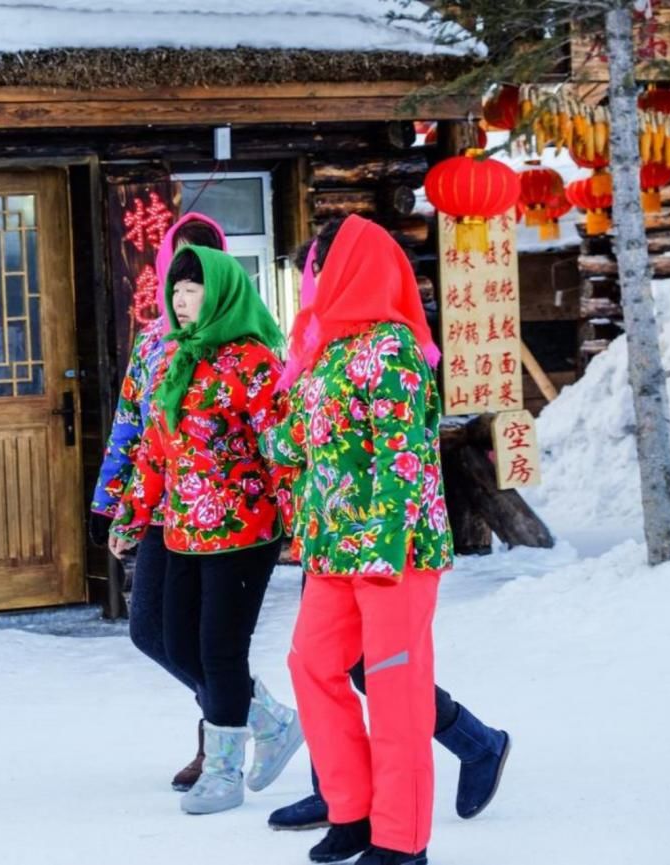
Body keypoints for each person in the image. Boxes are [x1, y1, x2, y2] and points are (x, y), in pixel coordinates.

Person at [267, 229, 512, 846]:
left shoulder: (392, 348)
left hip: (391, 552)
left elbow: (404, 458)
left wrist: (381, 549)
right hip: (331, 548)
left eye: (317, 271)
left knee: (395, 689)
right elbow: (297, 441)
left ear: (352, 270)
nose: (310, 286)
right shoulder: (326, 352)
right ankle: (350, 810)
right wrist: (264, 422)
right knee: (313, 664)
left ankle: (401, 841)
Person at [109, 245, 301, 815]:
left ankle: (222, 773)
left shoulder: (254, 361)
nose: (181, 299)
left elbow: (282, 451)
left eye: (193, 289)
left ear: (220, 292)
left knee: (220, 649)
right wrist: (131, 514)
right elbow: (154, 449)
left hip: (246, 531)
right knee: (172, 640)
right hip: (183, 530)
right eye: (176, 289)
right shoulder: (175, 358)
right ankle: (269, 720)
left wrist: (301, 524)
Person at [89, 213, 231, 792]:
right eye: (181, 268)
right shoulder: (151, 342)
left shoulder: (241, 340)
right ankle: (249, 707)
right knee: (149, 630)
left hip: (224, 517)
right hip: (159, 508)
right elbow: (130, 425)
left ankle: (218, 737)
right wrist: (108, 503)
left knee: (203, 636)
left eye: (203, 267)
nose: (188, 284)